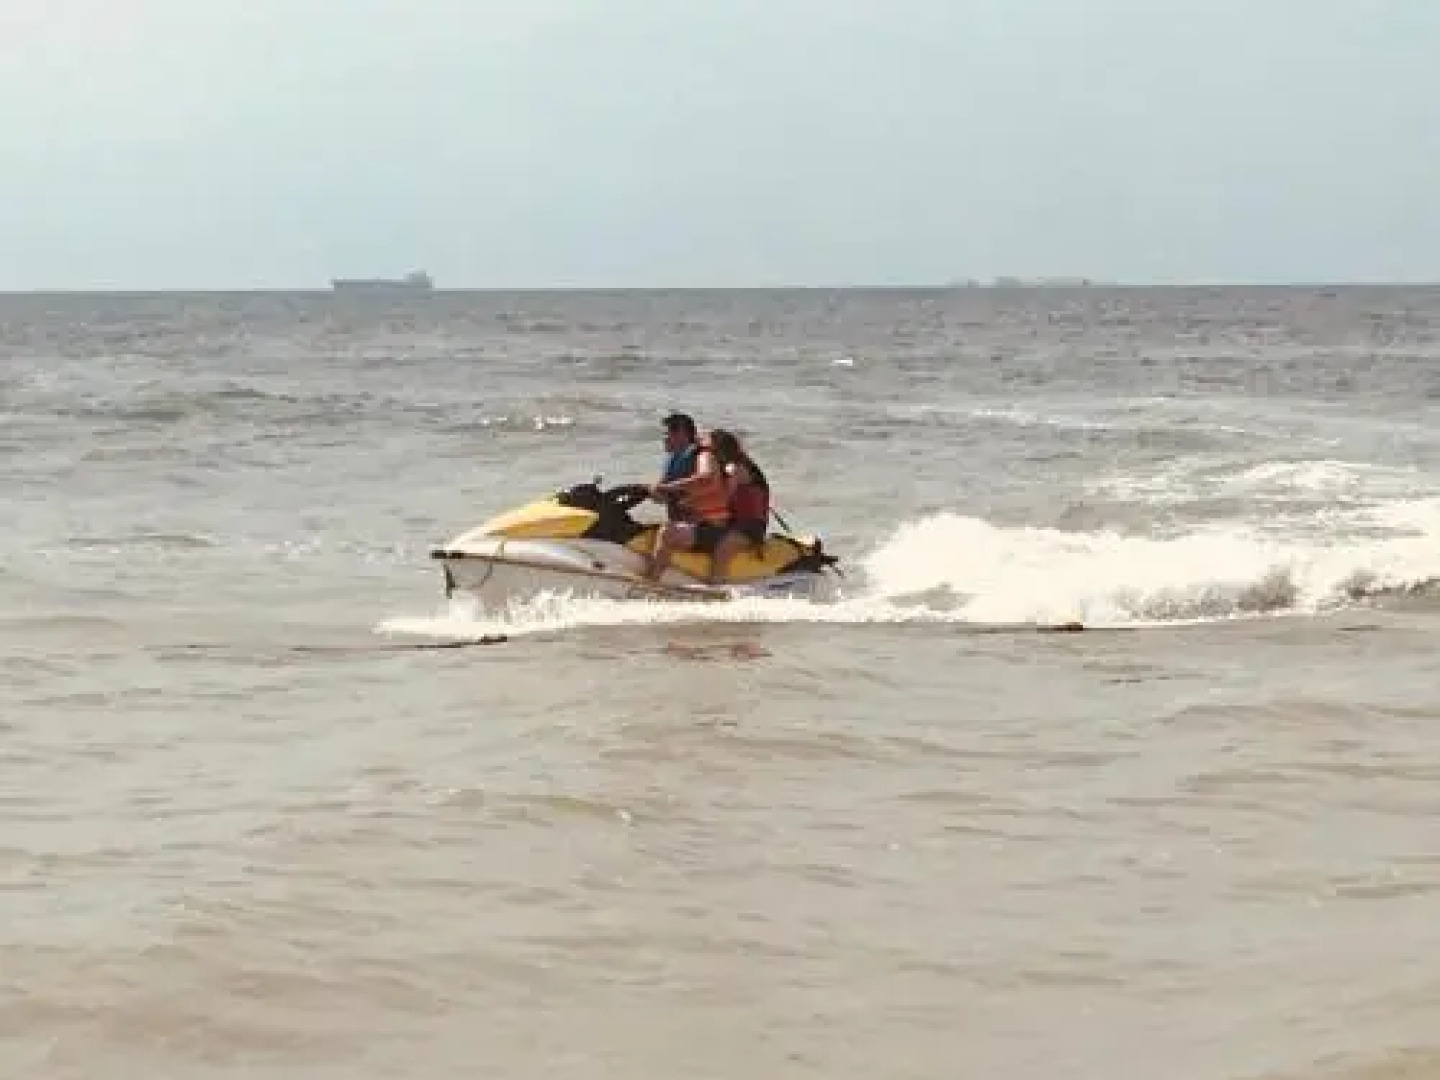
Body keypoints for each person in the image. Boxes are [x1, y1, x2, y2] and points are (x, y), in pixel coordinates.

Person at [642, 421, 731, 581]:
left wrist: (668, 488)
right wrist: (648, 492)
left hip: (713, 528)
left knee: (667, 532)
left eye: (667, 434)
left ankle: (651, 582)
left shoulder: (704, 456)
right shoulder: (674, 460)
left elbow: (706, 479)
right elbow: (665, 496)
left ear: (681, 434)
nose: (664, 438)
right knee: (649, 531)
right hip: (690, 526)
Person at [706, 428, 771, 584]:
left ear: (720, 450)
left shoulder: (737, 468)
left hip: (751, 526)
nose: (708, 454)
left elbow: (723, 498)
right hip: (736, 522)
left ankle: (716, 587)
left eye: (710, 449)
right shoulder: (733, 466)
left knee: (722, 549)